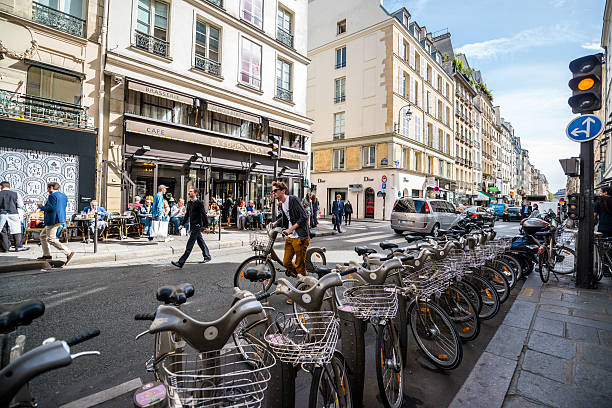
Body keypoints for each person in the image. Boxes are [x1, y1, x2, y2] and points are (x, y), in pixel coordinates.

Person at [271, 181, 310, 279]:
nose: (273, 193)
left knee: (300, 266)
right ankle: (301, 277)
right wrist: (275, 223)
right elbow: (286, 217)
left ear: (283, 191)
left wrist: (290, 229)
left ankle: (305, 287)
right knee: (286, 262)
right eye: (272, 191)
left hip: (299, 237)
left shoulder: (293, 199)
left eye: (275, 190)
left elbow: (304, 217)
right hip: (290, 237)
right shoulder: (282, 204)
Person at [171, 188, 211, 268]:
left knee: (190, 244)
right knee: (200, 241)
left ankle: (181, 262)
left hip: (197, 225)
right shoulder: (189, 203)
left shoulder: (199, 203)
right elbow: (187, 215)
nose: (189, 193)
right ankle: (207, 256)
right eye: (188, 191)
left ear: (195, 193)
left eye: (191, 191)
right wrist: (182, 224)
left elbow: (203, 214)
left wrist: (207, 226)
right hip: (192, 225)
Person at [37, 182, 75, 265]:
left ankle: (68, 253)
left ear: (51, 188)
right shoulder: (63, 196)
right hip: (60, 218)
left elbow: (52, 208)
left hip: (53, 219)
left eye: (47, 188)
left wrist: (41, 207)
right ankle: (46, 255)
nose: (47, 190)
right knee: (43, 236)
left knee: (51, 239)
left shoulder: (52, 196)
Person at [0, 181, 29, 252]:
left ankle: (5, 248)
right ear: (9, 186)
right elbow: (20, 205)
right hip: (13, 213)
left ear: (1, 186)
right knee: (16, 230)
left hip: (2, 214)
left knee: (3, 231)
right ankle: (18, 246)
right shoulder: (16, 194)